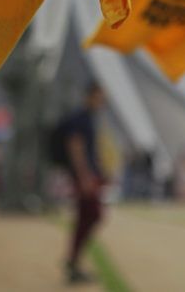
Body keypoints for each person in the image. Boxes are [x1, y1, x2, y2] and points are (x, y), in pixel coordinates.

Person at [58, 83, 106, 283]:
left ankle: (73, 262)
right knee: (92, 215)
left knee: (86, 217)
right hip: (84, 178)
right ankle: (73, 261)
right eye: (99, 97)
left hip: (87, 176)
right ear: (90, 96)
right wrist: (85, 176)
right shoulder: (81, 118)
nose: (102, 102)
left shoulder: (88, 118)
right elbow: (75, 147)